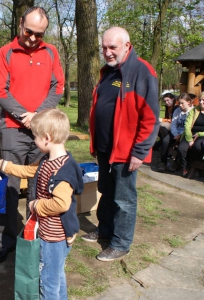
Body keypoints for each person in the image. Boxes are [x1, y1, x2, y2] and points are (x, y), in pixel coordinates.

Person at [0, 108, 83, 299]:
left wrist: (36, 205)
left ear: (47, 138)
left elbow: (61, 204)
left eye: (35, 137)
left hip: (53, 238)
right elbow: (29, 171)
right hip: (49, 233)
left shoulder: (62, 171)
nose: (33, 142)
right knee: (56, 277)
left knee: (48, 283)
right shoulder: (48, 160)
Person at [0, 6, 65, 263]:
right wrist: (25, 115)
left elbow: (58, 87)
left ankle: (35, 237)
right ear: (21, 24)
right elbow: (0, 91)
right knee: (9, 187)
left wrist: (38, 115)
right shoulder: (5, 52)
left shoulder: (51, 51)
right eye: (29, 31)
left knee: (39, 186)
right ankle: (6, 241)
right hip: (13, 129)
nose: (33, 38)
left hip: (42, 131)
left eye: (39, 34)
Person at [82, 27, 159, 262]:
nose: (107, 52)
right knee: (106, 191)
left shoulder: (141, 71)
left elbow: (151, 116)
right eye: (104, 47)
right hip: (106, 148)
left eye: (112, 47)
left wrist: (140, 151)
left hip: (127, 152)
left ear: (127, 45)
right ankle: (105, 229)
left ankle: (121, 243)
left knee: (124, 198)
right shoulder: (108, 72)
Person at [177, 91, 204, 177]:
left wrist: (199, 134)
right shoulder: (194, 110)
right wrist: (189, 140)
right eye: (200, 100)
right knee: (182, 148)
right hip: (190, 133)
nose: (201, 102)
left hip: (201, 135)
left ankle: (192, 164)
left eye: (203, 100)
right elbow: (187, 126)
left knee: (197, 147)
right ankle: (184, 167)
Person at [167, 93, 194, 172]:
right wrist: (175, 134)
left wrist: (181, 135)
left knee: (181, 147)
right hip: (176, 133)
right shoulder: (177, 111)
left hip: (185, 133)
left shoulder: (193, 111)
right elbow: (173, 124)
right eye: (179, 103)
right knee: (165, 141)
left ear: (188, 102)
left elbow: (189, 126)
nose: (180, 105)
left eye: (182, 103)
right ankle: (163, 162)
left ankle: (178, 163)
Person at [156, 93, 179, 172]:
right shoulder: (167, 107)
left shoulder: (176, 108)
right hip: (172, 128)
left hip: (176, 128)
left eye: (168, 100)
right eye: (165, 101)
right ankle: (163, 162)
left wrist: (163, 120)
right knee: (158, 126)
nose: (166, 102)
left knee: (162, 125)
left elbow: (174, 120)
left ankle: (164, 144)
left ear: (173, 99)